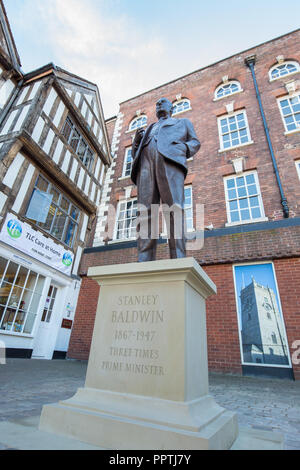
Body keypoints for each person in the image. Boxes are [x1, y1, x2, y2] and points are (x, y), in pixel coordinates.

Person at [131, 97, 200, 262]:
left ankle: (178, 258)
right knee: (145, 212)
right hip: (146, 167)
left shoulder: (182, 123)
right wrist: (136, 142)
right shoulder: (148, 128)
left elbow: (195, 143)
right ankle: (144, 260)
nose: (159, 104)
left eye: (163, 102)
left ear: (171, 108)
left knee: (174, 209)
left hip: (170, 164)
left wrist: (181, 148)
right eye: (157, 103)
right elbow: (135, 155)